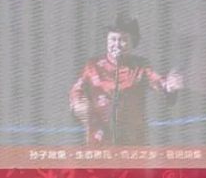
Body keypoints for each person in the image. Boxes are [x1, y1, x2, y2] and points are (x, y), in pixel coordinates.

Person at [68, 15, 183, 147]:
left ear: (132, 42)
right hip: (100, 139)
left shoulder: (140, 66)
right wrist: (79, 105)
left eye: (123, 40)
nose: (117, 45)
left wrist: (169, 86)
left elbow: (157, 80)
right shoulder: (93, 66)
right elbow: (77, 90)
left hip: (132, 140)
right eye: (113, 39)